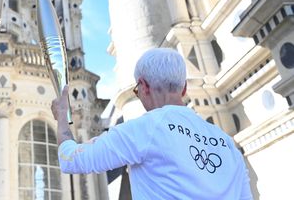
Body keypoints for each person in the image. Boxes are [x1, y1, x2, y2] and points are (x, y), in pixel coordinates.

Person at [51, 48, 253, 199]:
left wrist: (62, 116)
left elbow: (71, 159)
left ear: (144, 86)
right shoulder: (225, 142)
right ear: (183, 90)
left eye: (137, 91)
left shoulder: (144, 129)